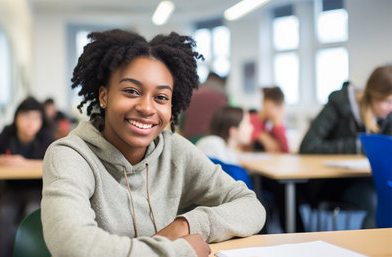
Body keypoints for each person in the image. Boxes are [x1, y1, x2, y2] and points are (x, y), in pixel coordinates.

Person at [41, 29, 265, 257]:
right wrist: (179, 251)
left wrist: (186, 225)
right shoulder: (70, 155)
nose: (147, 108)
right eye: (131, 91)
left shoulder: (174, 150)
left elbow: (251, 206)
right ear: (104, 96)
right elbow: (72, 245)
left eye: (161, 97)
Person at [299, 65, 392, 228]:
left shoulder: (387, 115)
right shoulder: (339, 103)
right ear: (373, 94)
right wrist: (357, 146)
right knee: (377, 202)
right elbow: (308, 145)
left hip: (369, 180)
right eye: (387, 101)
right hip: (334, 182)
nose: (390, 108)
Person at [0, 96, 54, 256]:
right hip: (11, 188)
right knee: (3, 217)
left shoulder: (45, 135)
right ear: (16, 117)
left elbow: (55, 160)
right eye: (25, 117)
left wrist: (23, 163)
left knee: (33, 213)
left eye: (36, 118)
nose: (30, 122)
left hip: (36, 189)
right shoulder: (8, 134)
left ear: (41, 121)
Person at [179, 72, 228, 143]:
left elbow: (182, 118)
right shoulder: (222, 96)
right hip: (211, 139)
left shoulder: (192, 94)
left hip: (190, 138)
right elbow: (227, 119)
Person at [249, 86, 289, 153]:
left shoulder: (274, 125)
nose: (277, 111)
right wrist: (260, 135)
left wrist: (278, 124)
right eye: (275, 105)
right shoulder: (250, 120)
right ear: (264, 103)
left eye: (280, 106)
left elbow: (286, 150)